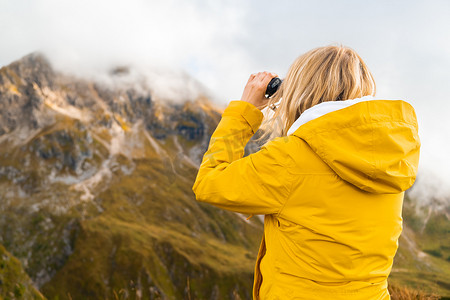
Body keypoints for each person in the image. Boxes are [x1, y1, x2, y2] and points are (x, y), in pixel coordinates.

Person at [192, 45, 420, 300]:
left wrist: (244, 112)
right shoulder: (388, 153)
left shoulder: (291, 158)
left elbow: (209, 183)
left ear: (302, 89)